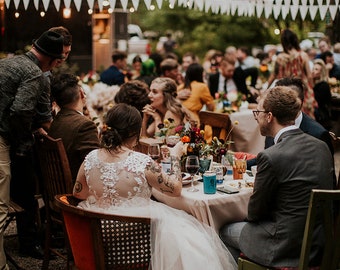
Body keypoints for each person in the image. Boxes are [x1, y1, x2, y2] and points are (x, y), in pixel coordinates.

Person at [73, 103, 237, 270]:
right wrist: (174, 156)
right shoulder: (141, 162)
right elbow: (175, 189)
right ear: (134, 133)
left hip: (98, 237)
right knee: (192, 240)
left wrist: (107, 198)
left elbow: (78, 193)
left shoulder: (91, 157)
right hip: (135, 242)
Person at [220, 86, 334, 268]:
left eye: (257, 112)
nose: (256, 117)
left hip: (284, 248)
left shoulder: (271, 156)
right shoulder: (321, 146)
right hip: (320, 242)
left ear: (269, 116)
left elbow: (255, 213)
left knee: (223, 231)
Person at [0, 30, 64, 265]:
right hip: (3, 137)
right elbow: (20, 111)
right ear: (52, 59)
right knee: (6, 200)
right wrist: (21, 139)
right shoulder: (35, 73)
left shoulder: (10, 62)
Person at [48, 73, 100, 182]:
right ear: (82, 93)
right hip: (77, 187)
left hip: (56, 184)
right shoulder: (85, 125)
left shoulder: (56, 121)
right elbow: (94, 167)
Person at [267, 28, 317, 119]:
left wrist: (266, 88)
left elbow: (274, 75)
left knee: (287, 118)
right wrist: (312, 88)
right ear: (295, 40)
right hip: (302, 91)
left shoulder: (280, 58)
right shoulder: (303, 56)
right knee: (304, 119)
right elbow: (309, 76)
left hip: (285, 92)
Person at [312, 59, 332, 130]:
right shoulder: (313, 84)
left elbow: (317, 101)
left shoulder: (323, 85)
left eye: (316, 69)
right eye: (313, 68)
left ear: (321, 72)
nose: (313, 71)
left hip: (321, 119)